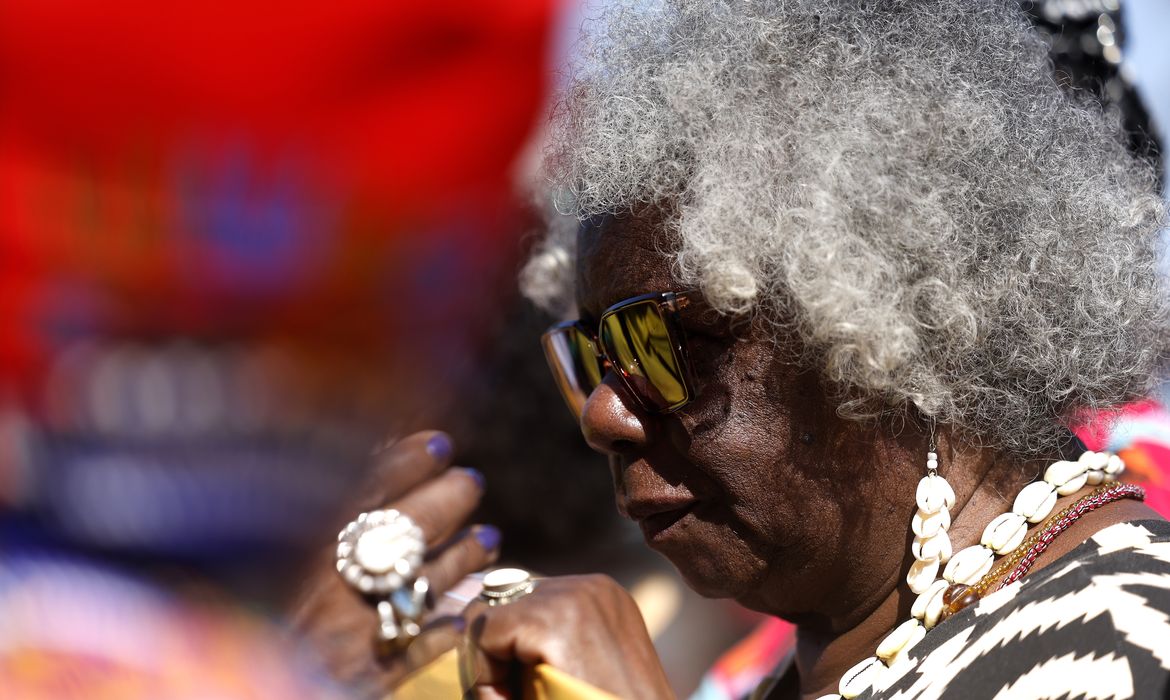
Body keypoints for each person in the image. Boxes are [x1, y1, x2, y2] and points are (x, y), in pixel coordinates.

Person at [298, 1, 1170, 698]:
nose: (606, 414)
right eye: (592, 354)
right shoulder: (791, 673)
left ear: (887, 329)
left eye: (661, 339)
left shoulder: (1134, 634)